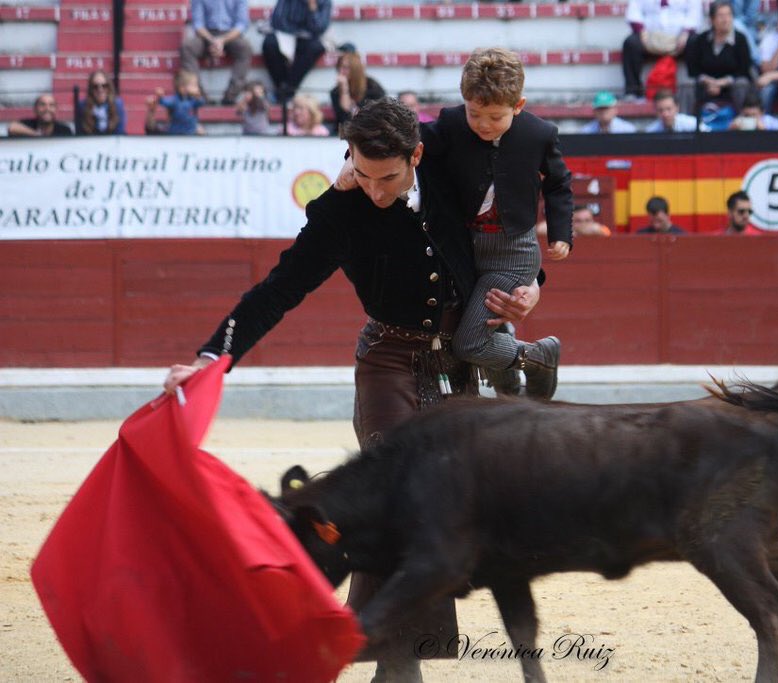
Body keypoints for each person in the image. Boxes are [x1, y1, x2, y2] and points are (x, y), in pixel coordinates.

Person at [162, 98, 541, 683]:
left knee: (439, 506)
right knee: (398, 496)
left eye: (387, 177)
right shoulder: (339, 212)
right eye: (361, 173)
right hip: (388, 363)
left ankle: (372, 652)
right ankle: (382, 661)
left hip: (457, 366)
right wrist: (213, 356)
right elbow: (277, 291)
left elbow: (509, 227)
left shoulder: (450, 168)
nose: (373, 190)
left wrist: (531, 286)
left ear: (417, 156)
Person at [426, 47, 571, 400]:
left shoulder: (539, 133)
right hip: (467, 250)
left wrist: (560, 233)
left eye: (495, 116)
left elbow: (558, 183)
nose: (483, 125)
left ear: (517, 106)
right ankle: (509, 389)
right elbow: (409, 139)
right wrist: (356, 149)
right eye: (475, 114)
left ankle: (538, 357)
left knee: (470, 341)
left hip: (513, 255)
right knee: (484, 325)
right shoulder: (451, 123)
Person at [622, 0, 704, 103]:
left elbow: (695, 13)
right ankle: (633, 91)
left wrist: (686, 32)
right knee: (630, 43)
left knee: (696, 42)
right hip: (649, 38)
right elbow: (633, 12)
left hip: (681, 38)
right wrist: (641, 30)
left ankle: (696, 87)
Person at [686, 1, 754, 113]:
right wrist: (708, 81)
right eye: (721, 16)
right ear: (712, 20)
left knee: (742, 83)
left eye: (728, 15)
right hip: (705, 85)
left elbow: (744, 69)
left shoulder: (740, 39)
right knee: (686, 84)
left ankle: (742, 122)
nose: (725, 19)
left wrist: (721, 83)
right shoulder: (701, 40)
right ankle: (687, 123)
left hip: (731, 85)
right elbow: (693, 69)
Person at [180, 0, 252, 105]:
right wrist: (213, 40)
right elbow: (198, 24)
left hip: (230, 36)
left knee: (245, 48)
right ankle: (197, 93)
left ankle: (231, 95)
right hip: (206, 35)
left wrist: (222, 40)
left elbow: (242, 24)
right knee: (187, 47)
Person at [261, 0, 331, 104]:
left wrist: (312, 8)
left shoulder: (324, 2)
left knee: (316, 47)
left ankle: (284, 92)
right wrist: (293, 33)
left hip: (309, 39)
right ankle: (285, 91)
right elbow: (277, 21)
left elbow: (319, 28)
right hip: (287, 34)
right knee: (269, 44)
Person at [330, 45, 386, 133]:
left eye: (345, 68)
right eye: (339, 67)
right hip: (345, 134)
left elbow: (371, 118)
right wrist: (344, 89)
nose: (341, 71)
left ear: (355, 69)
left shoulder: (373, 88)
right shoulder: (336, 92)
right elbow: (344, 119)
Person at [149, 70, 205, 135]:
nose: (197, 88)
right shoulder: (174, 100)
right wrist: (160, 97)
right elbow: (165, 102)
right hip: (175, 133)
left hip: (190, 133)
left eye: (196, 86)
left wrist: (198, 95)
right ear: (182, 88)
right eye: (193, 86)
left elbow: (201, 102)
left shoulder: (194, 100)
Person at [75, 70, 126, 135]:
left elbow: (119, 133)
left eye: (104, 86)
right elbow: (80, 134)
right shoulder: (82, 106)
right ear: (91, 89)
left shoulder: (117, 105)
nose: (100, 90)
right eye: (95, 87)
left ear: (108, 88)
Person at [7, 94, 73, 137]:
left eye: (51, 105)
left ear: (56, 109)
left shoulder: (65, 130)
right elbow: (12, 128)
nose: (47, 109)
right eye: (42, 105)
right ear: (35, 109)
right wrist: (37, 135)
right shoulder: (28, 125)